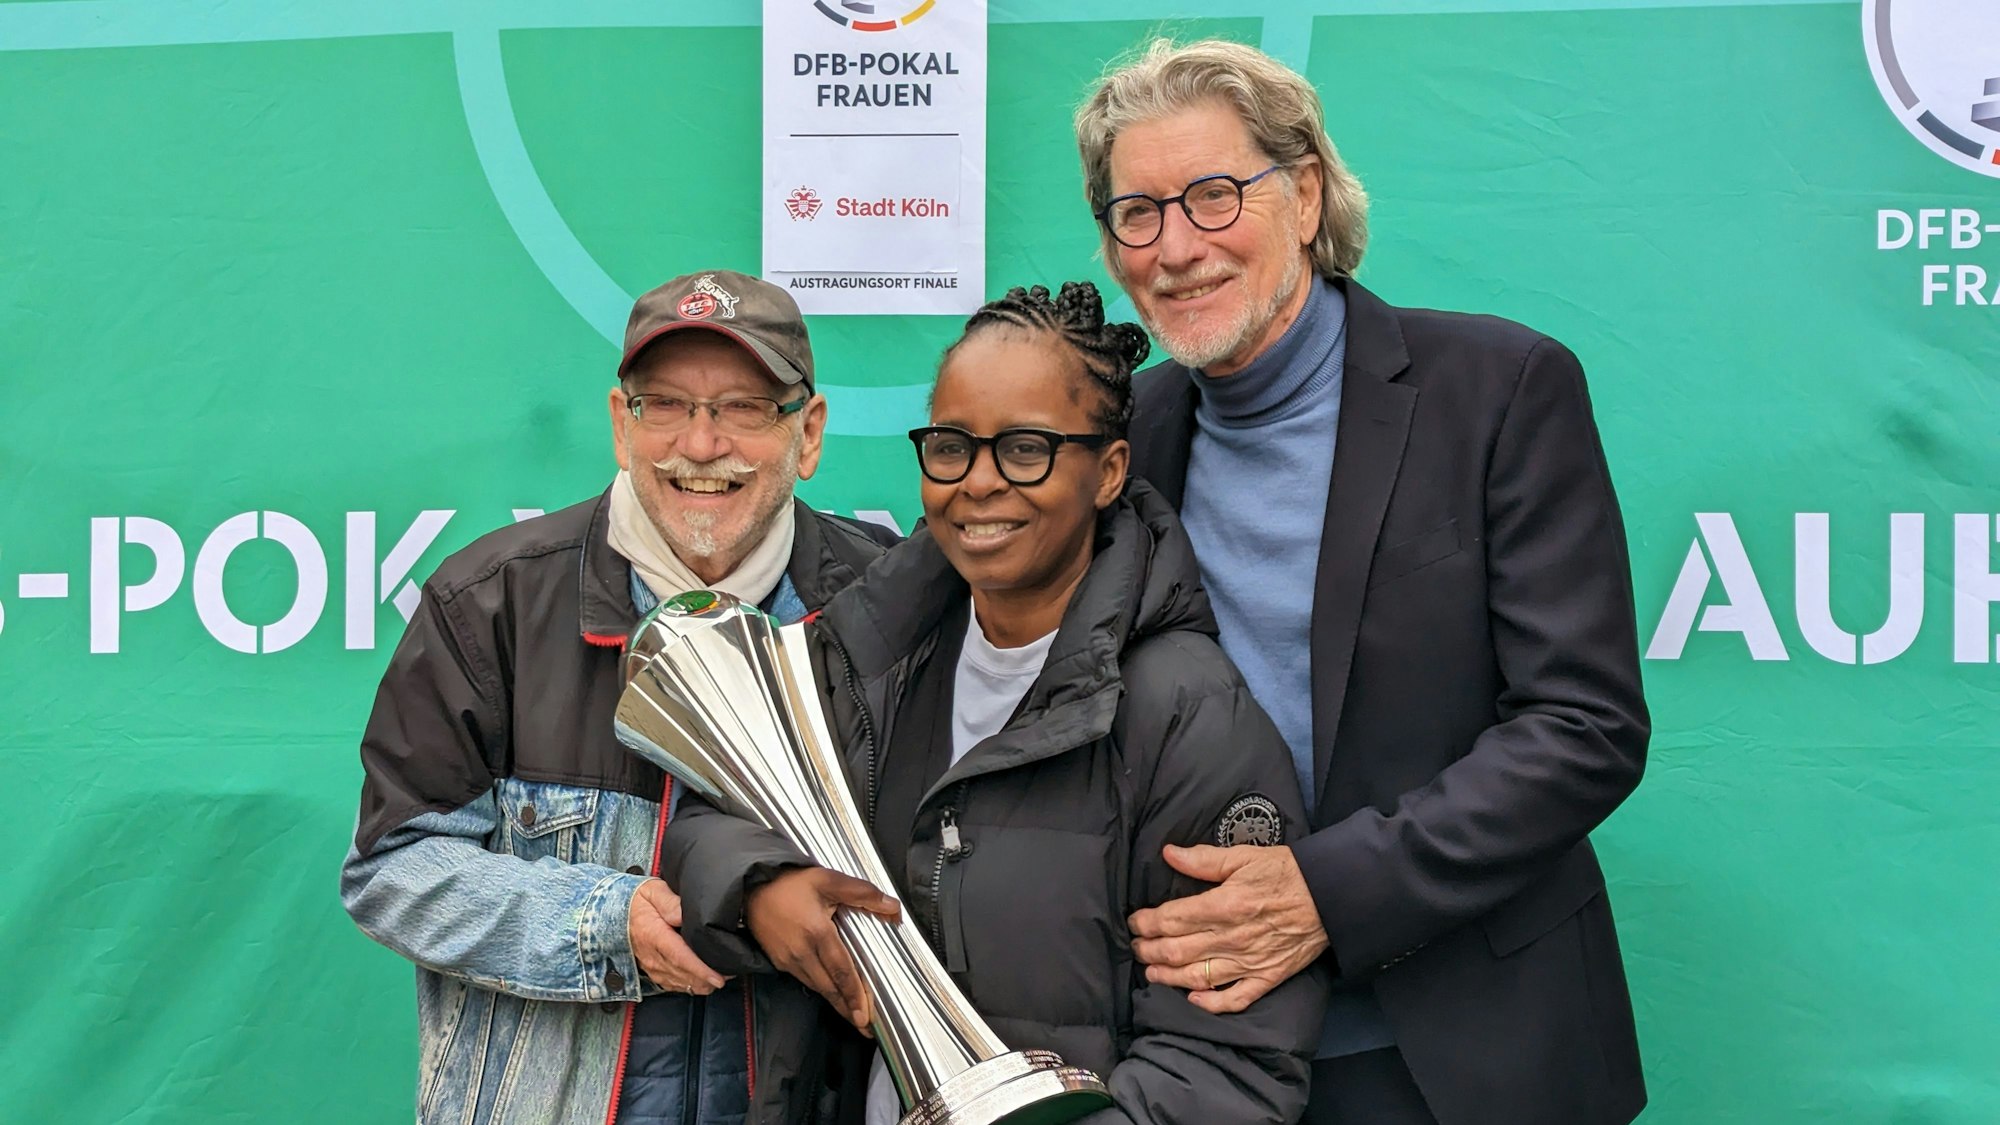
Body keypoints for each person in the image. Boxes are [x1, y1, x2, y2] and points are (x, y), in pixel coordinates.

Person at [1072, 39, 1652, 1125]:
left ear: (1302, 194)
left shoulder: (1497, 389)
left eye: (1211, 196)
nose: (1174, 246)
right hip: (1199, 1056)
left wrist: (1326, 895)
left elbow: (1582, 725)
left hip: (1457, 1053)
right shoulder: (1121, 437)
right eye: (1134, 213)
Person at [662, 281, 1326, 1124]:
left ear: (1109, 471)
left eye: (1025, 449)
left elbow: (1230, 1067)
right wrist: (761, 885)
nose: (977, 483)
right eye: (951, 446)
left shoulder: (1188, 715)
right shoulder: (874, 657)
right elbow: (708, 818)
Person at [340, 270, 897, 1125]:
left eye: (744, 408)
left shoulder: (884, 605)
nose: (700, 445)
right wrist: (599, 922)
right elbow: (393, 867)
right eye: (665, 405)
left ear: (808, 433)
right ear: (618, 422)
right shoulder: (491, 600)